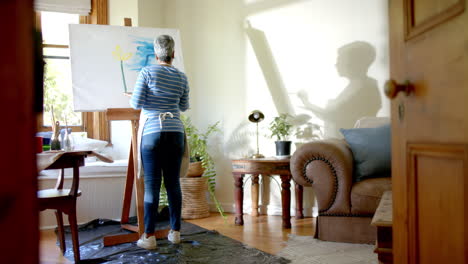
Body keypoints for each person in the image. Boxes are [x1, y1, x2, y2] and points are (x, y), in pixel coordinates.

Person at [129, 35, 190, 250]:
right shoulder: (181, 77)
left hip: (152, 132)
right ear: (173, 54)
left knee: (152, 185)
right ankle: (175, 233)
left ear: (156, 55)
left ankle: (149, 236)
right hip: (175, 132)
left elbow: (136, 103)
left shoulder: (146, 72)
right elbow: (183, 106)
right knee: (173, 183)